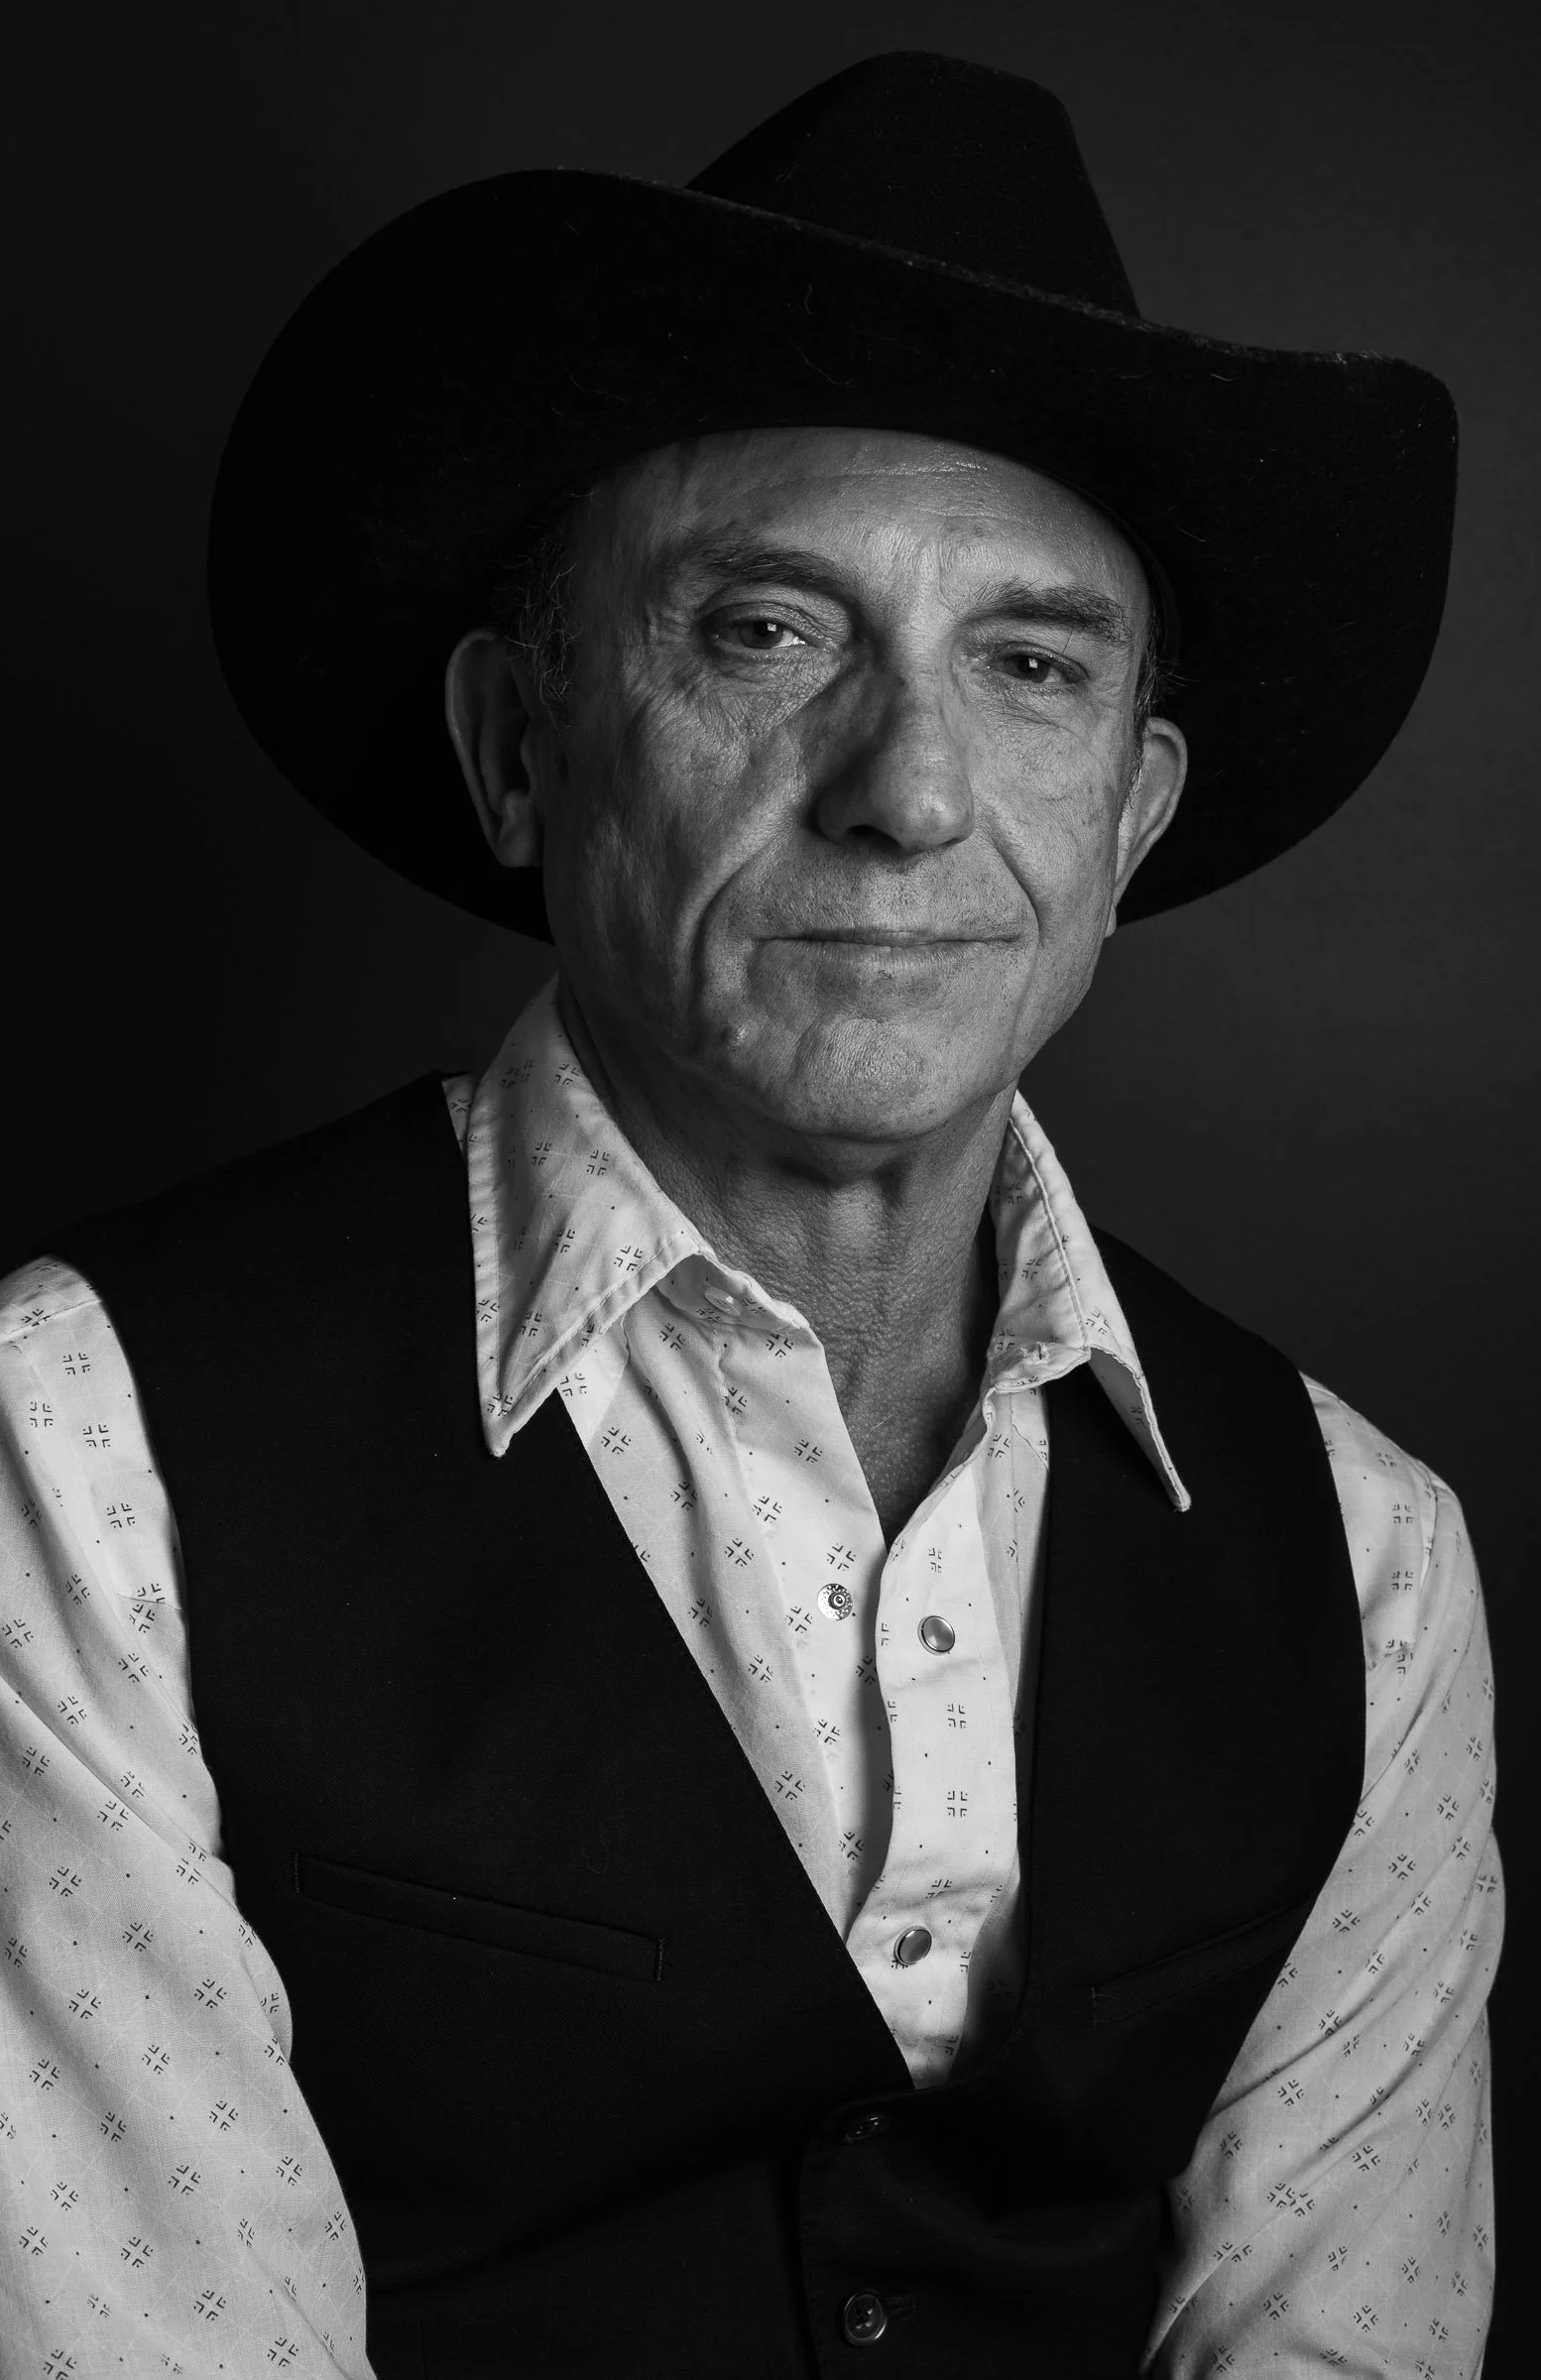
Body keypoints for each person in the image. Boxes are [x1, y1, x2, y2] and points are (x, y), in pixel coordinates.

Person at [0, 51, 1499, 2380]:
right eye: (767, 634)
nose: (910, 794)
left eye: (1030, 669)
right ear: (521, 749)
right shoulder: (88, 1450)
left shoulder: (1368, 1558)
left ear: (1129, 820)